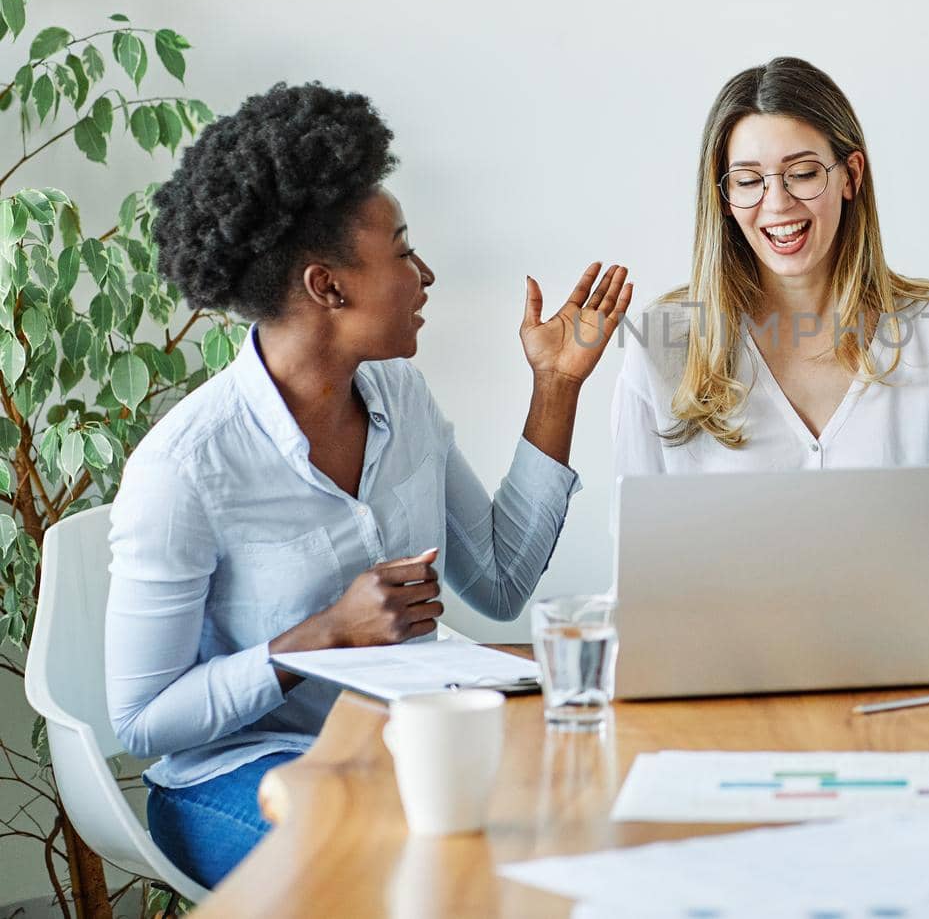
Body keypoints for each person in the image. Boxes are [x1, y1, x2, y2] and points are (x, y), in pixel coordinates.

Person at [104, 82, 632, 888]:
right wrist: (321, 635)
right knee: (397, 871)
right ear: (328, 286)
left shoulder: (401, 397)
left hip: (394, 747)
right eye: (403, 250)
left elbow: (497, 582)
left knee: (567, 826)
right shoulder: (185, 468)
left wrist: (556, 387)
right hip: (238, 774)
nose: (425, 274)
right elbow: (143, 721)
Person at [611, 57, 929, 616]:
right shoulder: (662, 347)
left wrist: (896, 583)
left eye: (802, 173)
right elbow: (640, 573)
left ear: (850, 175)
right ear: (724, 197)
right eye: (749, 181)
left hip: (896, 685)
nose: (777, 205)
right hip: (726, 686)